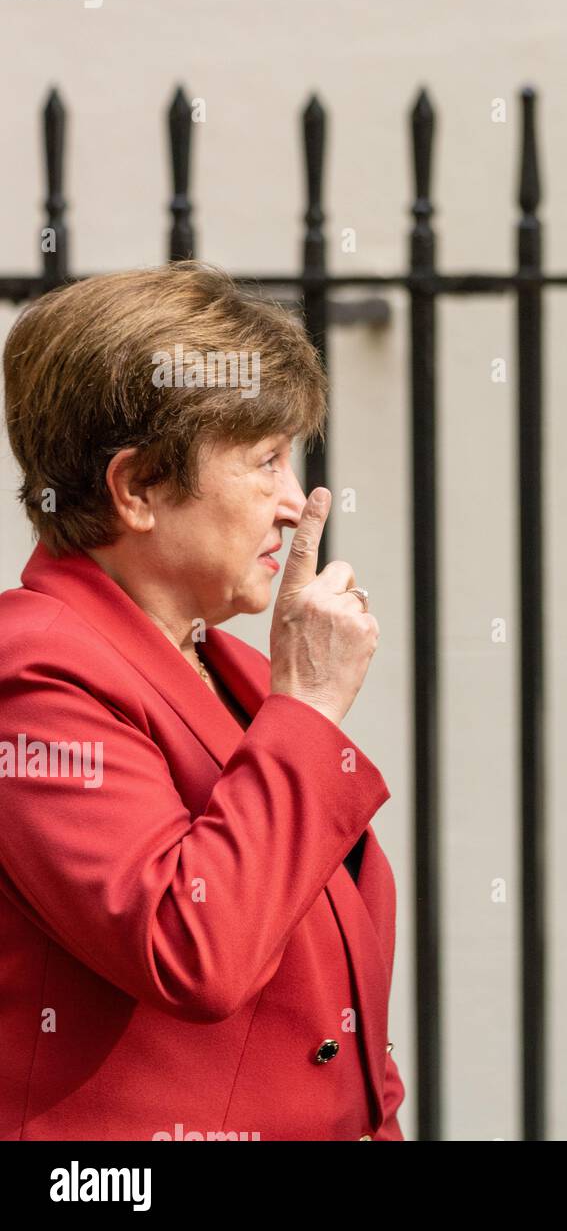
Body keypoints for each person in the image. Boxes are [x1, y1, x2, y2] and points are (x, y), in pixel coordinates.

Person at [0, 262, 403, 1140]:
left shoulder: (233, 670)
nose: (296, 503)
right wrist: (306, 710)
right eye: (264, 462)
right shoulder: (32, 673)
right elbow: (195, 950)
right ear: (137, 488)